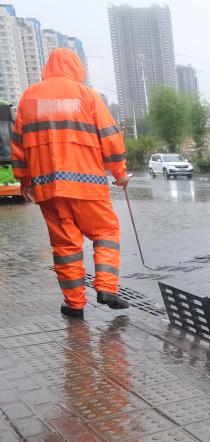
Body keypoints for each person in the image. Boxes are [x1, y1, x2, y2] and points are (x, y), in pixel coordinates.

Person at [11, 49, 129, 319]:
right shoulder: (86, 95)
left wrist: (24, 180)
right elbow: (109, 136)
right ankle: (107, 288)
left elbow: (18, 144)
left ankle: (75, 305)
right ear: (76, 67)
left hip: (47, 188)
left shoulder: (29, 97)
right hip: (87, 186)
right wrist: (119, 172)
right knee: (106, 232)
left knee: (65, 248)